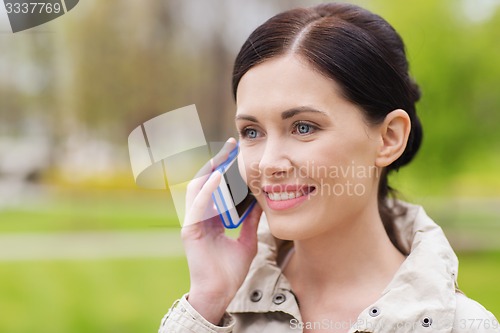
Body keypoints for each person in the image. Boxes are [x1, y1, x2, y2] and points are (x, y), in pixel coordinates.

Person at [158, 2, 499, 332]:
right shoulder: (215, 313)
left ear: (389, 138)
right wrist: (208, 300)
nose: (268, 163)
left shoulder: (461, 326)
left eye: (303, 127)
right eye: (252, 132)